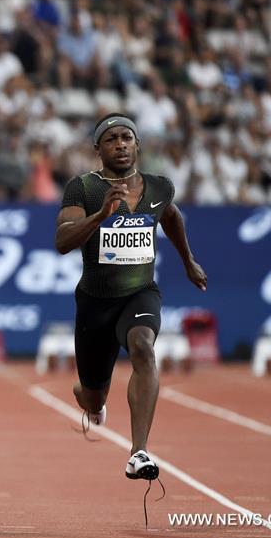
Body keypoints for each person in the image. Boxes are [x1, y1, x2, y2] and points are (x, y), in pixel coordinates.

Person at [55, 113, 207, 484]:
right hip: (95, 302)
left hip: (140, 293)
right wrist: (100, 215)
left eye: (127, 137)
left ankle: (138, 451)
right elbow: (62, 241)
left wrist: (188, 260)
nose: (120, 144)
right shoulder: (84, 188)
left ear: (138, 144)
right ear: (97, 149)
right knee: (93, 393)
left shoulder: (158, 187)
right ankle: (90, 397)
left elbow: (171, 217)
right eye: (111, 139)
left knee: (143, 347)